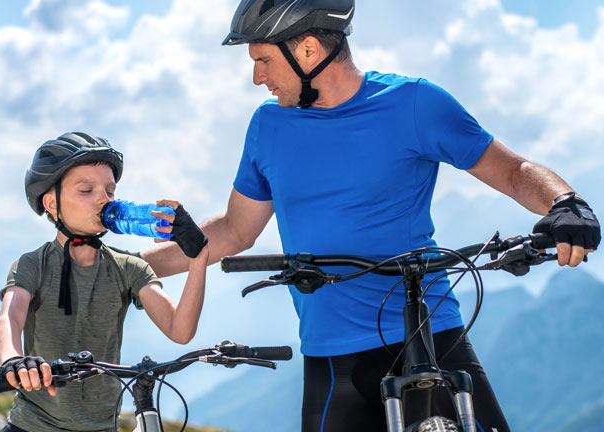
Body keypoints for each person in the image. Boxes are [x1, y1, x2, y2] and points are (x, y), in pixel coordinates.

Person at [141, 1, 601, 431]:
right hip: (333, 355)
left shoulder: (415, 103)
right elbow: (236, 231)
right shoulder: (269, 126)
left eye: (263, 60)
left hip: (432, 332)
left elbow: (513, 171)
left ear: (308, 49)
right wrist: (133, 266)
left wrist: (566, 203)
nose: (258, 78)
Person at [0, 132, 209, 432]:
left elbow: (180, 329)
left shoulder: (128, 267)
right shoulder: (34, 264)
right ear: (52, 204)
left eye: (110, 190)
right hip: (31, 426)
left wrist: (198, 256)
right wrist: (14, 361)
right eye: (86, 190)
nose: (103, 199)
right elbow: (10, 318)